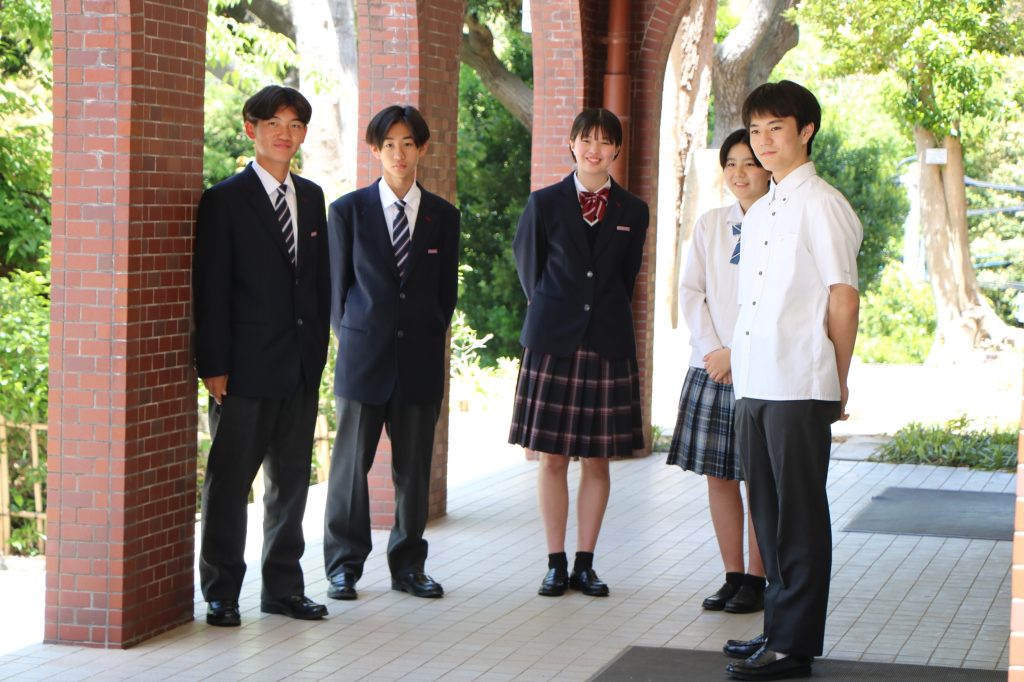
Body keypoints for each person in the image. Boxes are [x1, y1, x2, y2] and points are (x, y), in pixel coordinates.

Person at [721, 81, 862, 681]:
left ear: (806, 131)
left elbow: (843, 298)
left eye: (776, 128)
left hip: (799, 382)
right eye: (756, 130)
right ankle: (778, 628)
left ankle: (793, 647)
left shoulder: (823, 204)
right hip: (755, 382)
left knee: (799, 518)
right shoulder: (762, 209)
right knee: (769, 514)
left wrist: (839, 377)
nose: (763, 141)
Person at [193, 85, 331, 626]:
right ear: (251, 129)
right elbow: (211, 288)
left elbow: (317, 284)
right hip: (243, 370)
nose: (284, 134)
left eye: (294, 125)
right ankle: (222, 591)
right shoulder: (224, 200)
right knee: (230, 483)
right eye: (273, 123)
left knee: (290, 484)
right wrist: (214, 366)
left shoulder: (312, 197)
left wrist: (316, 354)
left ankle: (283, 588)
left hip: (298, 366)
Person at [509, 108, 649, 598]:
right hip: (553, 341)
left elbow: (626, 277)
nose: (594, 149)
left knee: (597, 461)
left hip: (607, 343)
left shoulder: (633, 210)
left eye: (605, 141)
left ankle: (585, 563)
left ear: (616, 150)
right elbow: (530, 270)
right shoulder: (544, 203)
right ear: (571, 144)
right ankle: (555, 563)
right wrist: (561, 309)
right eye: (586, 140)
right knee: (551, 460)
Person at [322, 105, 460, 601]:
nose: (398, 154)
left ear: (422, 148)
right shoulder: (347, 211)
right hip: (363, 360)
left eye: (407, 144)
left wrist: (423, 333)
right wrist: (358, 337)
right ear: (375, 150)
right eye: (388, 145)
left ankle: (409, 566)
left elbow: (445, 296)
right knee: (348, 471)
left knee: (414, 472)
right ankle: (343, 567)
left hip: (419, 363)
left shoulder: (444, 217)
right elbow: (336, 291)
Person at [668, 128, 770, 615]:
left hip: (761, 370)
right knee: (719, 476)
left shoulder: (783, 222)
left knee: (758, 479)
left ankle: (757, 578)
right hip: (710, 367)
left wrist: (737, 354)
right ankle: (733, 575)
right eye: (731, 163)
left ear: (768, 168)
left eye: (749, 163)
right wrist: (713, 350)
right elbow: (691, 292)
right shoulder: (711, 224)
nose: (739, 173)